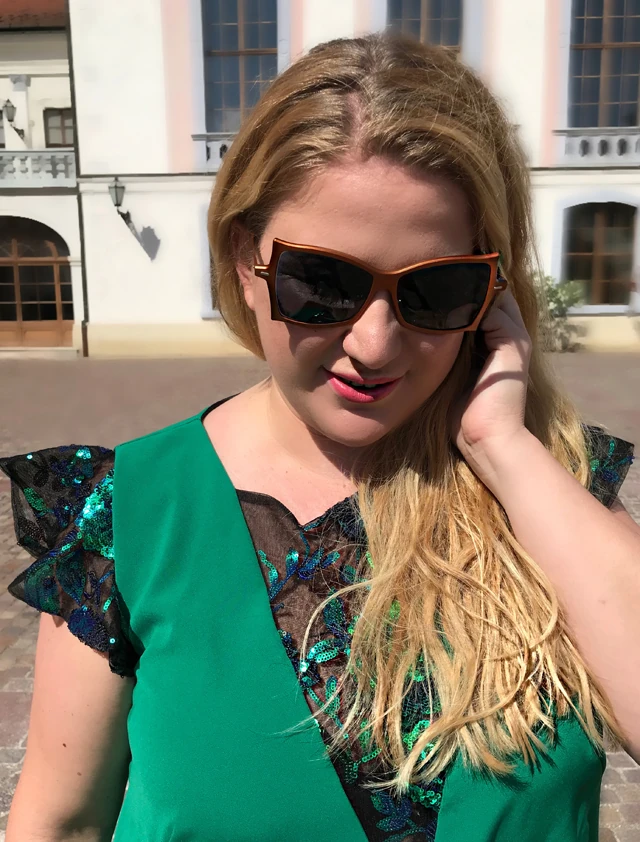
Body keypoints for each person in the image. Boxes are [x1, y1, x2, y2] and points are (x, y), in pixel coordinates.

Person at [2, 33, 639, 842]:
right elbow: (59, 825)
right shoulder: (128, 517)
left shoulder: (550, 482)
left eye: (436, 289)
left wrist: (504, 449)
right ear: (245, 261)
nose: (374, 345)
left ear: (491, 291)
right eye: (324, 283)